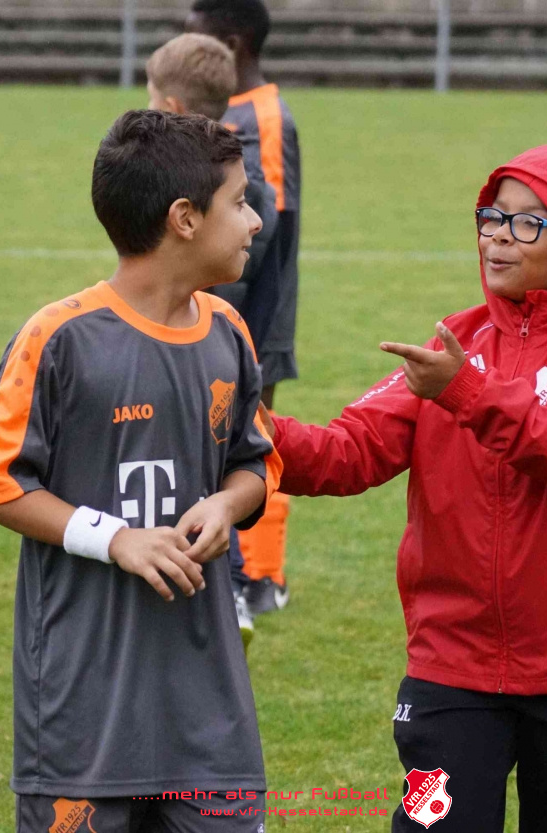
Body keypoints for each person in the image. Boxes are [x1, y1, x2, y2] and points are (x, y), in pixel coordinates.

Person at [271, 144, 547, 832]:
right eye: (491, 217)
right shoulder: (456, 342)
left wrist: (465, 391)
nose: (497, 237)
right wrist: (240, 424)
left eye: (527, 223)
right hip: (450, 665)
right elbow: (348, 452)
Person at [0, 110, 280, 831]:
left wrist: (228, 505)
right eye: (238, 202)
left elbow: (255, 463)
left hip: (210, 718)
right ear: (184, 219)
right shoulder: (60, 338)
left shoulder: (228, 332)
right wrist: (115, 538)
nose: (255, 221)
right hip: (83, 715)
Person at [145, 31, 282, 646]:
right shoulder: (247, 180)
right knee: (216, 468)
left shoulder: (214, 192)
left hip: (208, 349)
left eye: (152, 97)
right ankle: (232, 591)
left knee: (206, 469)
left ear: (172, 106)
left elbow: (218, 277)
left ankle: (227, 592)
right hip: (236, 346)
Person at [187, 0, 301, 614]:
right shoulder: (230, 112)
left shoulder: (265, 116)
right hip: (226, 303)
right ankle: (240, 575)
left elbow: (265, 223)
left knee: (254, 435)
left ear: (232, 44)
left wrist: (216, 307)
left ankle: (264, 577)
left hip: (256, 310)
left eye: (197, 36)